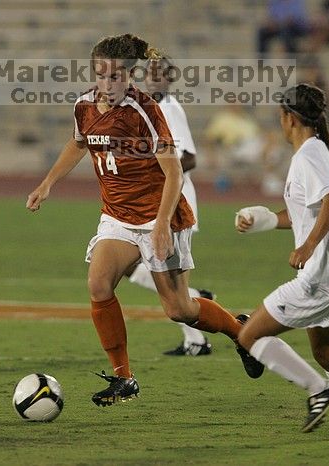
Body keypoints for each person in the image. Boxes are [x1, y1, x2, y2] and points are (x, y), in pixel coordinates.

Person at [26, 33, 263, 407]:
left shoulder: (145, 111)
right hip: (118, 217)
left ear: (130, 75)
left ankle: (241, 331)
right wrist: (47, 183)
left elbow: (174, 173)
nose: (109, 83)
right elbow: (78, 143)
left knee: (179, 310)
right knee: (99, 283)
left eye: (117, 76)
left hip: (159, 215)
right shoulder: (84, 106)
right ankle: (124, 379)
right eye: (101, 75)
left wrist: (161, 224)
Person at [235, 83, 329, 436]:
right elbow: (307, 212)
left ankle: (319, 390)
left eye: (280, 115)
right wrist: (265, 220)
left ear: (289, 118)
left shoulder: (308, 156)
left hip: (319, 276)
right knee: (327, 353)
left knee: (249, 335)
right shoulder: (313, 152)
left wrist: (306, 247)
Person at [123, 54, 213, 357]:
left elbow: (190, 157)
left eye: (161, 73)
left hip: (174, 205)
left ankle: (197, 330)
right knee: (138, 267)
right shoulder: (151, 108)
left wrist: (154, 172)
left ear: (170, 78)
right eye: (150, 72)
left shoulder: (169, 108)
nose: (154, 77)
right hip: (156, 204)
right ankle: (197, 319)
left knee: (152, 270)